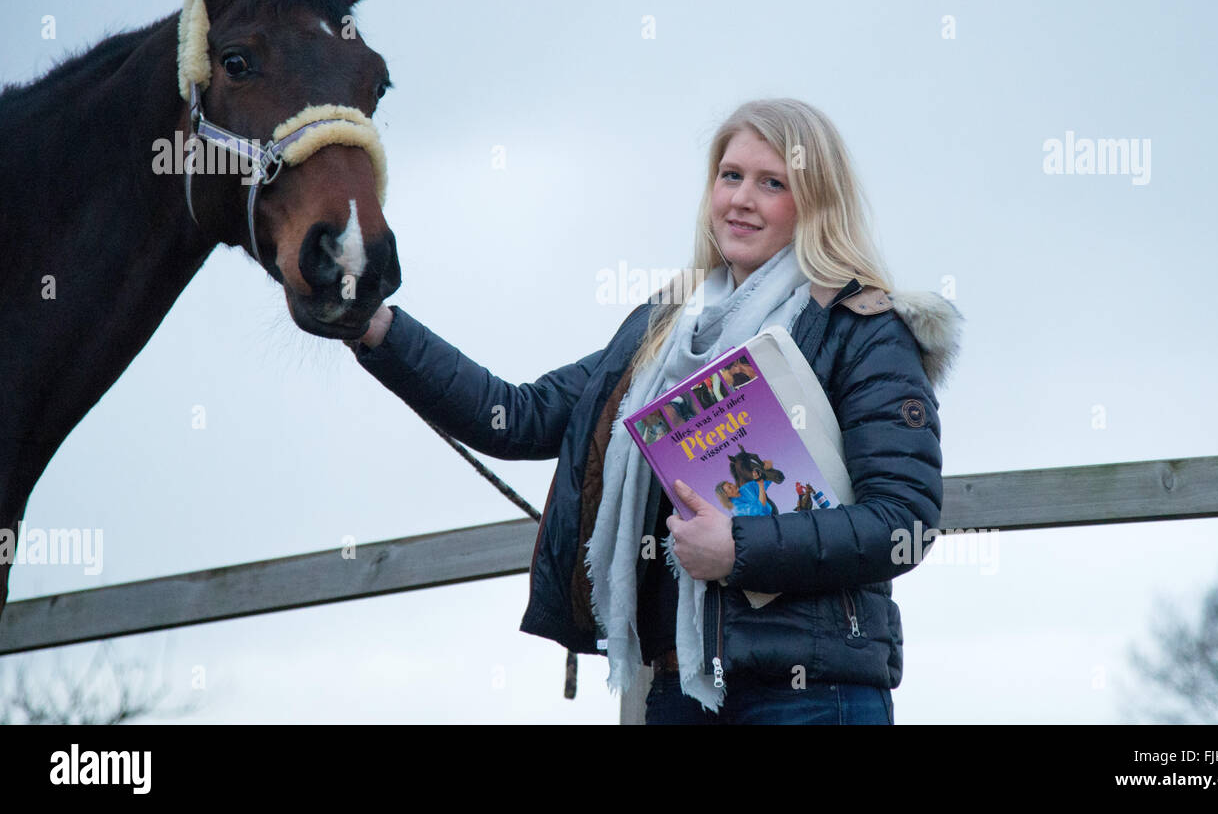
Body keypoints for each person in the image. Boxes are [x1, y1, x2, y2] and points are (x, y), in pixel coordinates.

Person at [346, 98, 963, 724]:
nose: (741, 199)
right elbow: (518, 414)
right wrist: (375, 327)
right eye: (731, 176)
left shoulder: (863, 330)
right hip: (677, 692)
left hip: (812, 698)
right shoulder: (662, 336)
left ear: (816, 202)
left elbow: (901, 521)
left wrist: (739, 547)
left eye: (772, 183)